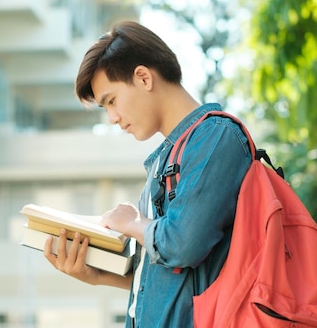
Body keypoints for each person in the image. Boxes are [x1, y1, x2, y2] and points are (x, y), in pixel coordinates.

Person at [43, 20, 252, 328]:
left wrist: (133, 223)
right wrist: (99, 275)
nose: (113, 118)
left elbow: (183, 244)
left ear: (142, 77)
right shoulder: (164, 160)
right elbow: (171, 282)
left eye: (111, 101)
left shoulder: (215, 136)